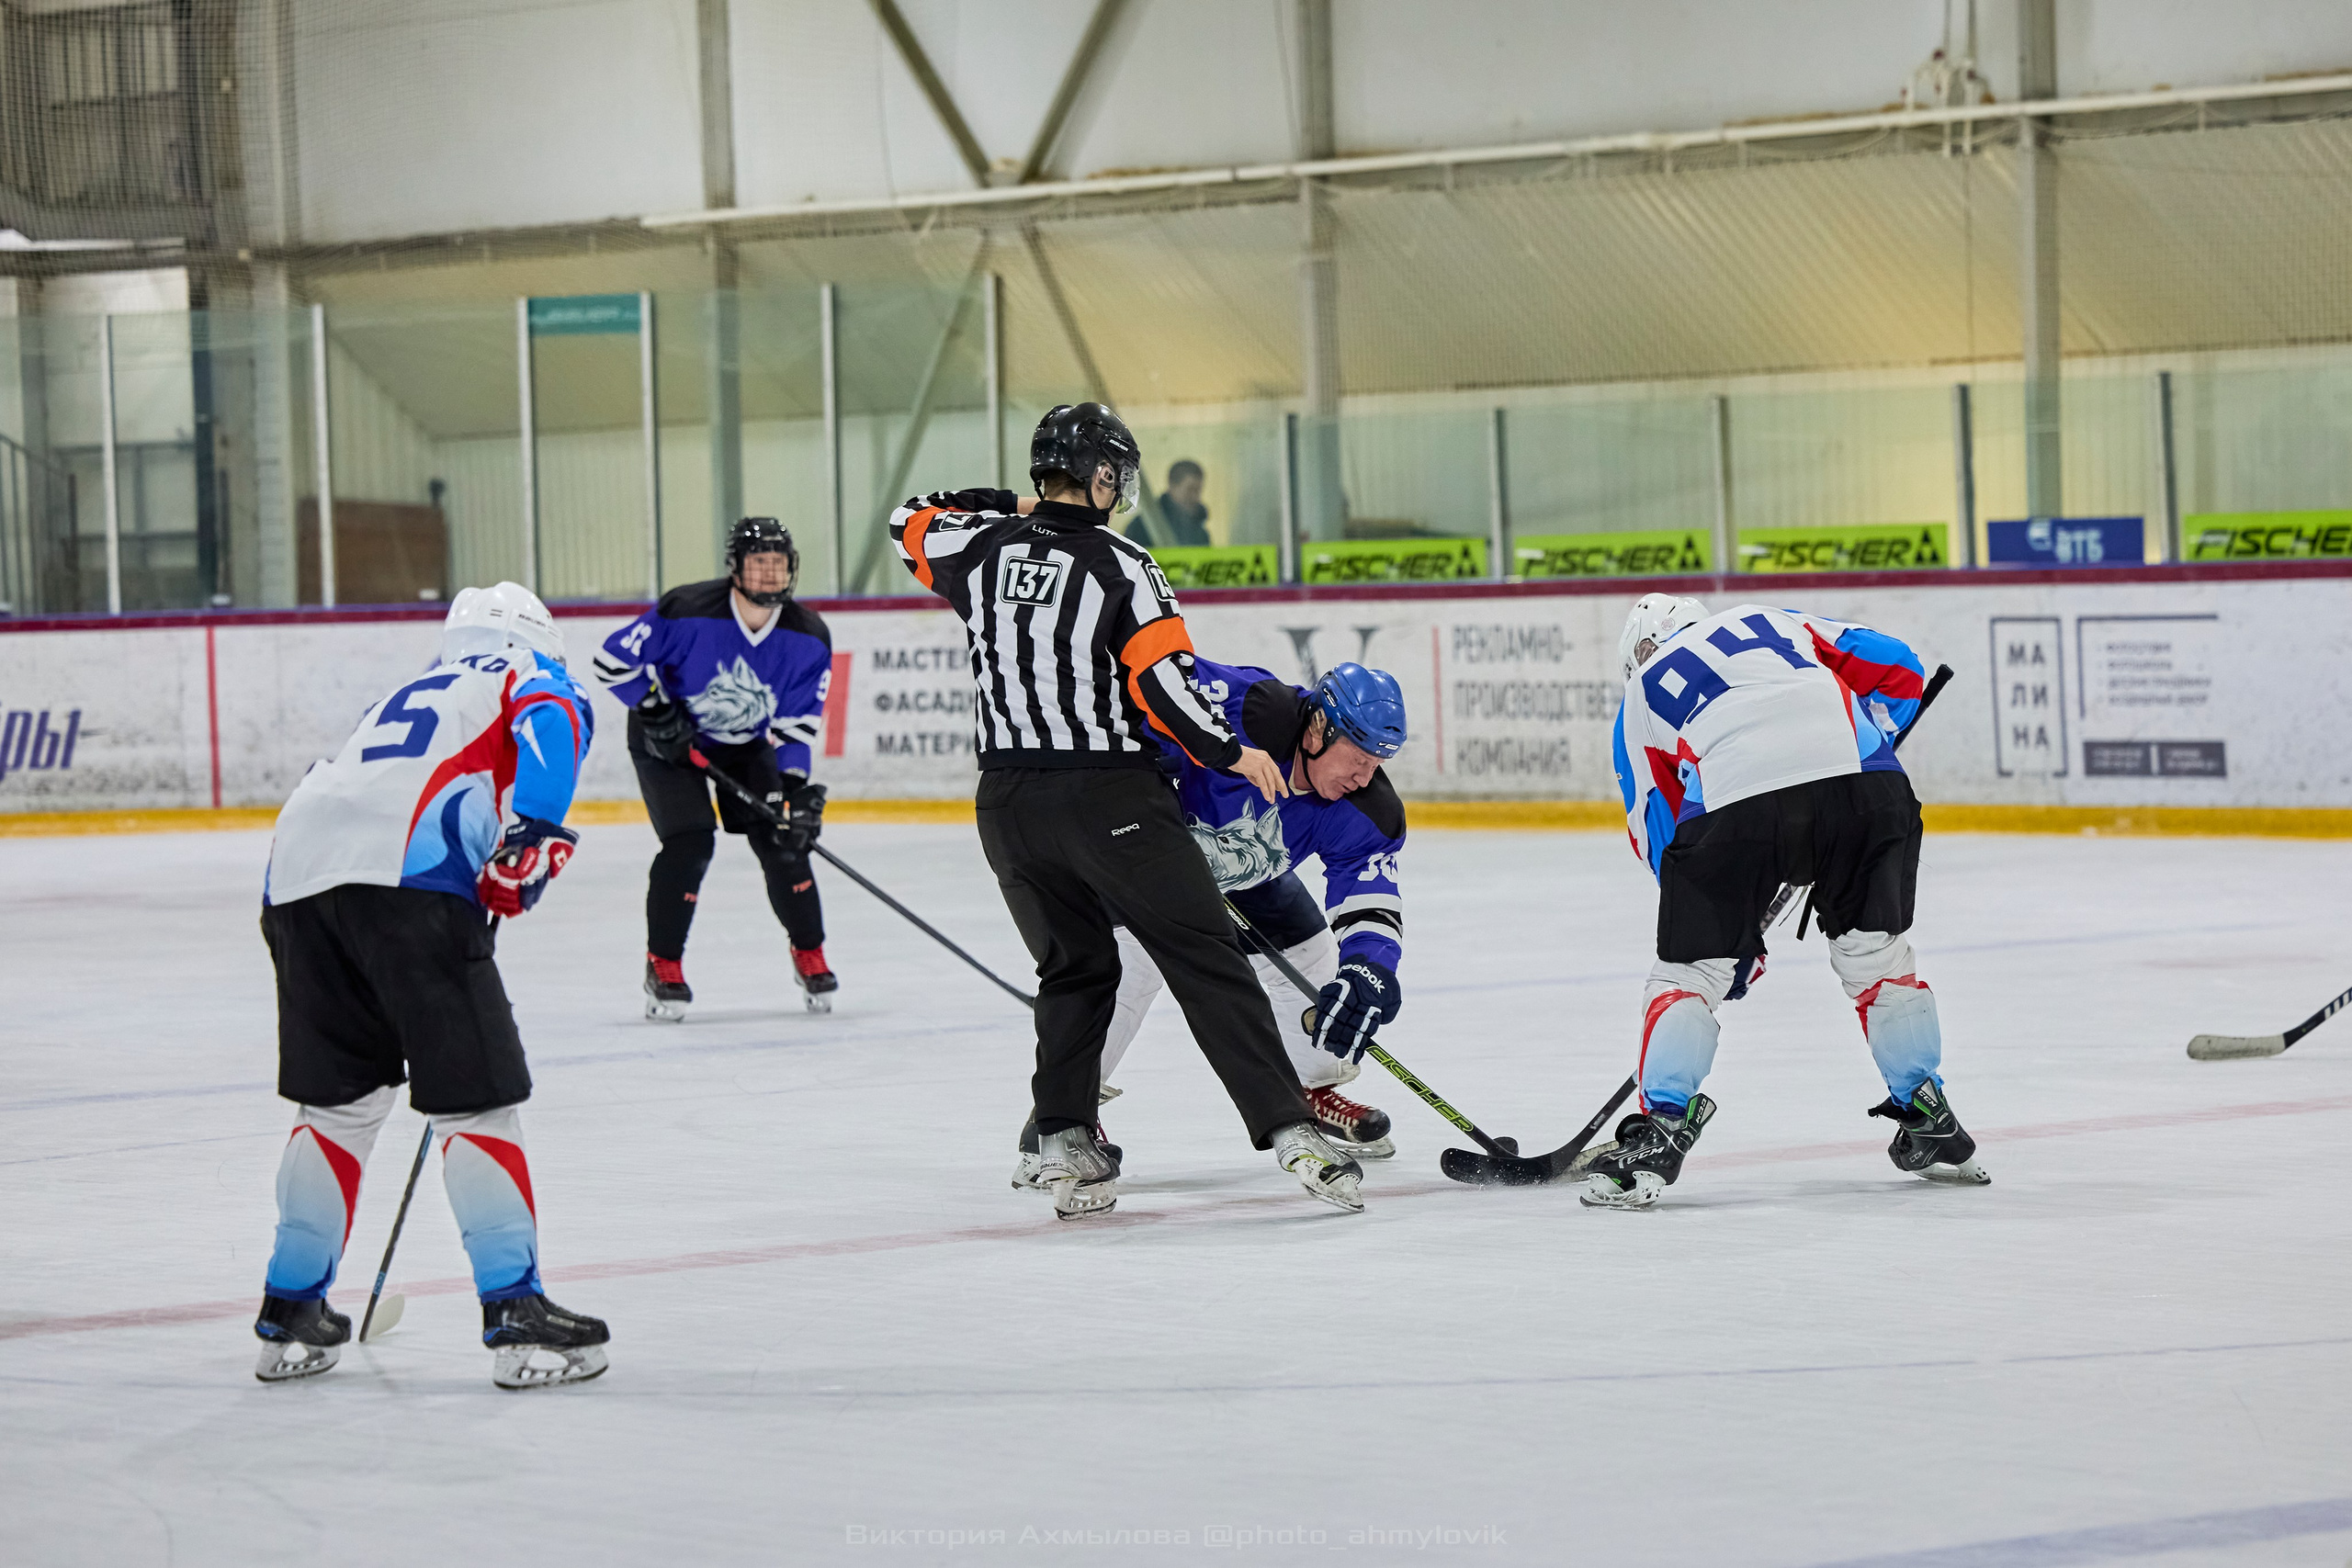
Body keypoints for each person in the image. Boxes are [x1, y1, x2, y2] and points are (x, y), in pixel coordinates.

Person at [888, 402, 1366, 1218]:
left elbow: (910, 519)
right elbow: (1164, 681)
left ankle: (1065, 1136)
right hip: (1107, 793)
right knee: (1207, 953)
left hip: (1005, 804)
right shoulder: (1123, 562)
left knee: (1076, 967)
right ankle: (1289, 1126)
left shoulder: (979, 546)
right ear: (1104, 475)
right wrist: (1230, 751)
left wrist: (1018, 506)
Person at [252, 581, 609, 1388]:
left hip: (296, 880)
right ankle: (516, 1312)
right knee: (475, 1103)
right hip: (410, 879)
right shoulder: (525, 670)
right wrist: (536, 832)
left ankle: (291, 1309)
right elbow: (553, 718)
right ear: (536, 635)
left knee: (339, 1107)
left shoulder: (409, 689)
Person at [1588, 592, 1990, 1210]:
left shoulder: (1640, 696)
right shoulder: (1769, 621)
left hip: (1739, 804)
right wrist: (1864, 747)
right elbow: (1902, 669)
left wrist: (1727, 935)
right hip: (1871, 787)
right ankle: (1928, 1114)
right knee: (1878, 959)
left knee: (1691, 972)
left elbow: (1657, 827)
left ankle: (1661, 1130)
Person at [1011, 658, 1410, 1187]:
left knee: (1312, 956)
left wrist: (1369, 969)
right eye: (1357, 757)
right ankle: (1065, 1116)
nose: (1365, 776)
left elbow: (1369, 899)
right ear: (1318, 730)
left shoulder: (1366, 809)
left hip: (1244, 874)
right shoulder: (1243, 708)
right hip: (1146, 857)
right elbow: (1145, 691)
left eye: (1378, 762)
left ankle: (1309, 1091)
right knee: (1133, 969)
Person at [592, 517, 837, 1020]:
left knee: (785, 841)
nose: (770, 575)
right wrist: (657, 711)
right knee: (689, 843)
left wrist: (792, 788)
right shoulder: (687, 610)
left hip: (744, 745)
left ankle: (809, 951)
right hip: (668, 744)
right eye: (758, 562)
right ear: (735, 568)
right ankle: (663, 965)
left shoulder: (808, 636)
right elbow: (611, 662)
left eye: (779, 563)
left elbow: (796, 725)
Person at [1125, 458, 1211, 547]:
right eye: (1190, 489)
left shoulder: (1201, 535)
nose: (1195, 496)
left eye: (1198, 490)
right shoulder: (1141, 528)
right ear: (1172, 485)